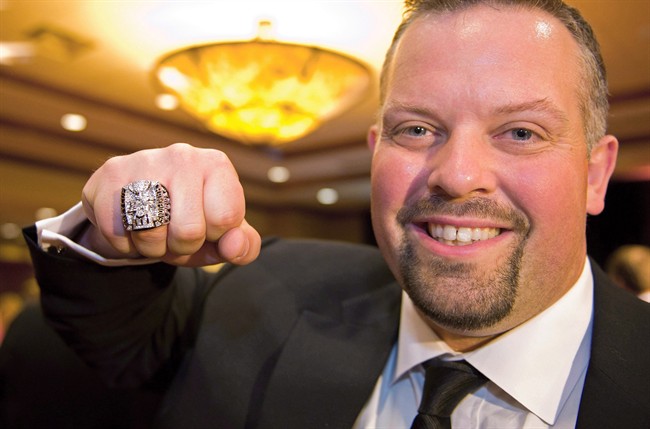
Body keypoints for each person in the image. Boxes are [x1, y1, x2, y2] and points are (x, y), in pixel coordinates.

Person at [20, 0, 650, 428]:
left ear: (595, 173)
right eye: (419, 128)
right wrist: (112, 225)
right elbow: (116, 340)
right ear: (378, 152)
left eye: (520, 132)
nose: (458, 176)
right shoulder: (274, 286)